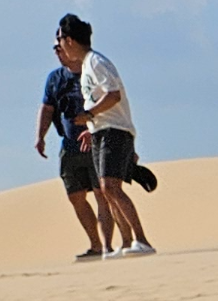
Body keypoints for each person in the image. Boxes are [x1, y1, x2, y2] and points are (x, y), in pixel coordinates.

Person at [54, 17, 152, 257]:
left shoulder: (96, 62)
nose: (59, 46)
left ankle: (142, 240)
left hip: (114, 131)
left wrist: (89, 114)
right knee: (107, 190)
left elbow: (113, 95)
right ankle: (128, 243)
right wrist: (92, 124)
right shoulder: (88, 64)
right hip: (101, 130)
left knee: (110, 187)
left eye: (60, 41)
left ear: (69, 40)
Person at [35, 35, 104, 260]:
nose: (57, 52)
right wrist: (40, 136)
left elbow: (111, 101)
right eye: (55, 48)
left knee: (103, 194)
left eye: (60, 47)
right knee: (75, 196)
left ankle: (109, 246)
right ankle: (95, 245)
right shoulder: (54, 78)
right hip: (70, 145)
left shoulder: (92, 71)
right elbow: (47, 109)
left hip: (96, 142)